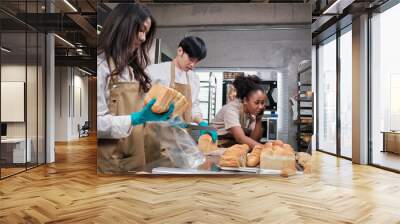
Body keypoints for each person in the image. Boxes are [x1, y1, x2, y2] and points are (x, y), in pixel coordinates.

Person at [97, 4, 174, 174]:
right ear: (123, 25)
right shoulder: (101, 66)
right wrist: (135, 119)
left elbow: (144, 108)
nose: (143, 38)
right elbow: (98, 124)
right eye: (141, 30)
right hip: (112, 160)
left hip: (135, 156)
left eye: (146, 33)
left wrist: (161, 116)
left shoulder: (133, 70)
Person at [145, 36, 217, 158]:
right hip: (157, 137)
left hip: (182, 139)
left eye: (197, 61)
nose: (193, 65)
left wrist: (202, 123)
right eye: (191, 59)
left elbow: (193, 106)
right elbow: (143, 103)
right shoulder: (155, 71)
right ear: (180, 51)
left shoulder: (194, 79)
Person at [210, 75, 266, 149]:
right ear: (245, 100)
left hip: (231, 146)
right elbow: (240, 138)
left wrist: (259, 119)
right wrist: (265, 149)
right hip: (215, 145)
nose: (261, 107)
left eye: (262, 103)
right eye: (257, 102)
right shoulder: (231, 110)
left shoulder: (251, 114)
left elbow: (253, 140)